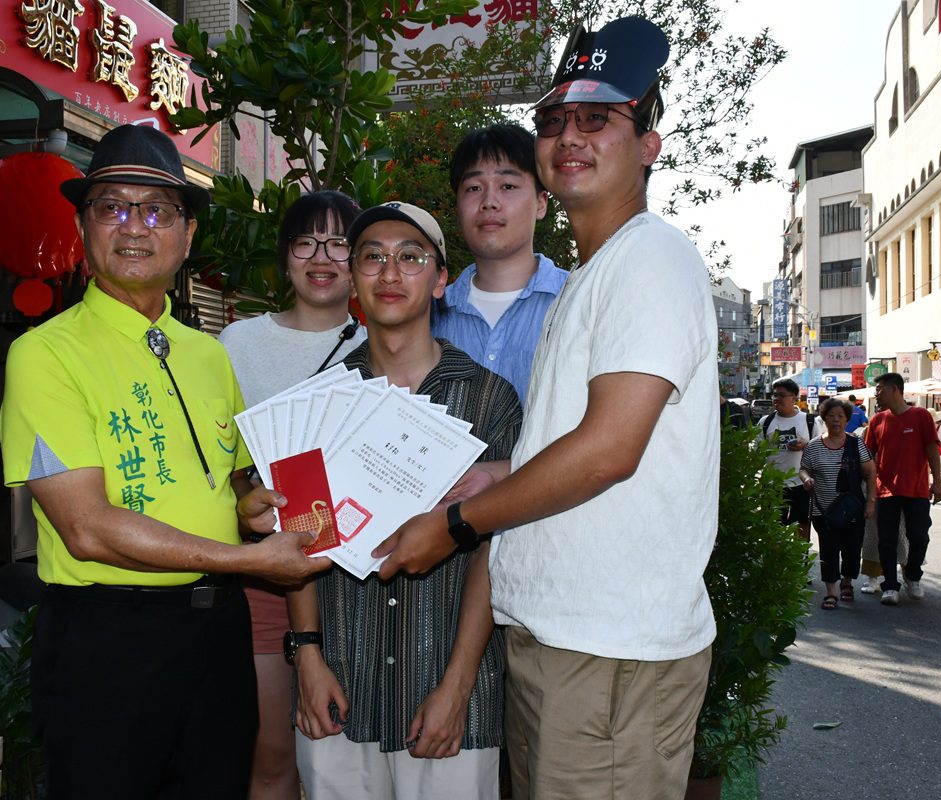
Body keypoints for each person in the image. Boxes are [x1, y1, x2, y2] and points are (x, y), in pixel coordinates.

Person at [370, 17, 718, 799]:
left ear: (649, 144)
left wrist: (457, 524)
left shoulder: (649, 257)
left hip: (610, 654)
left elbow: (609, 449)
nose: (570, 135)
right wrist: (501, 474)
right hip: (563, 644)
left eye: (598, 118)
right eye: (555, 120)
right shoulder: (593, 276)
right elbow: (585, 443)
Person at [0, 124, 329, 799]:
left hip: (218, 635)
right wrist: (247, 560)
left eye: (157, 210)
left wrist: (250, 506)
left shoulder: (208, 353)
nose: (134, 227)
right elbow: (86, 528)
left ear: (187, 234)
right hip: (109, 641)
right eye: (111, 207)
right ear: (83, 226)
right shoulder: (44, 354)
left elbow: (232, 480)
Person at [286, 201, 522, 798]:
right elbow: (301, 541)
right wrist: (307, 658)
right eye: (373, 257)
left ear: (441, 280)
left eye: (411, 258)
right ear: (353, 278)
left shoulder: (490, 400)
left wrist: (459, 687)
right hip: (340, 687)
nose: (390, 273)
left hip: (445, 697)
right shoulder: (317, 400)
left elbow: (494, 552)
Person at [217, 190, 366, 800]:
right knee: (272, 754)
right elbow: (219, 461)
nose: (321, 257)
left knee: (347, 757)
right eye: (306, 242)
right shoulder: (237, 343)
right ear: (284, 258)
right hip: (267, 578)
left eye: (339, 244)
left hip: (356, 581)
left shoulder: (381, 342)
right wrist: (245, 498)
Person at [433, 123, 568, 402]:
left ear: (541, 203)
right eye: (473, 188)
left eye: (508, 186)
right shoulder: (430, 315)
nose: (489, 202)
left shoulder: (577, 300)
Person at [863, 372, 941, 605]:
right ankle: (890, 585)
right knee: (886, 540)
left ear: (895, 389)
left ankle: (913, 575)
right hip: (885, 490)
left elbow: (932, 449)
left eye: (879, 390)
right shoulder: (877, 420)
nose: (877, 394)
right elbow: (869, 457)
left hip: (917, 489)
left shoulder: (921, 416)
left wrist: (938, 482)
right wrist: (869, 492)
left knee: (919, 536)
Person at [799, 398, 876, 609]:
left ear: (847, 420)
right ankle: (831, 592)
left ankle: (847, 582)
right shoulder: (814, 446)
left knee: (852, 549)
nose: (836, 420)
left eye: (840, 416)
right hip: (823, 509)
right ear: (824, 419)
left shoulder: (856, 444)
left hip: (852, 508)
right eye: (831, 416)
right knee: (828, 551)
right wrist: (807, 479)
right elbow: (804, 468)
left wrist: (871, 501)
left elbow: (870, 472)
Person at [759, 377, 815, 543]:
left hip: (801, 483)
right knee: (772, 526)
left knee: (801, 524)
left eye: (782, 395)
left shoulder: (809, 421)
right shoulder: (765, 422)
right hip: (773, 484)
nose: (777, 399)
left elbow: (820, 449)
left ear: (794, 398)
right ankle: (775, 555)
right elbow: (756, 452)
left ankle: (799, 555)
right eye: (775, 395)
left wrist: (805, 445)